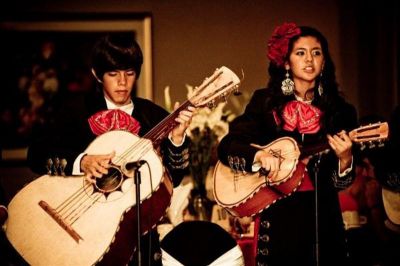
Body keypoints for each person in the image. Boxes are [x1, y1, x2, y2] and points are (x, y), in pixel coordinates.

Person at [27, 33, 195, 266]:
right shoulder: (74, 111)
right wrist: (82, 162)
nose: (122, 83)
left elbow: (173, 180)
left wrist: (177, 138)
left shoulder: (153, 116)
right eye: (113, 74)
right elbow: (35, 154)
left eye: (129, 73)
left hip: (138, 241)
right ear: (97, 74)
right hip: (82, 232)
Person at [217, 22, 358, 266]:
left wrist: (346, 160)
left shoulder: (341, 112)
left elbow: (341, 183)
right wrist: (259, 157)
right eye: (300, 53)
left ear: (324, 62)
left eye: (316, 52)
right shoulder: (265, 103)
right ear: (286, 62)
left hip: (322, 218)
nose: (309, 60)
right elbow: (228, 146)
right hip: (279, 217)